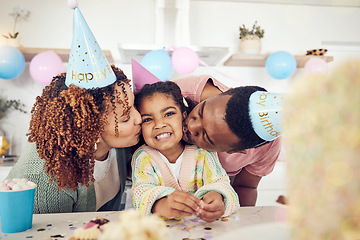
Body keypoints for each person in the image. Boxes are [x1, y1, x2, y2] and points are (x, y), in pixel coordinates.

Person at [7, 4, 142, 213]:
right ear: (91, 129)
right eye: (125, 118)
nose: (138, 118)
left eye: (134, 107)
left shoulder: (119, 146)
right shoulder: (49, 177)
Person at [131, 81, 239, 223]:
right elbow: (140, 192)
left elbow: (222, 183)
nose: (159, 124)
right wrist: (161, 204)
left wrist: (218, 197)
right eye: (148, 119)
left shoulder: (203, 152)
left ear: (183, 116)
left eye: (169, 114)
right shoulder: (143, 157)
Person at [173, 76, 282, 206]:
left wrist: (239, 221)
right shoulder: (182, 93)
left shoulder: (267, 148)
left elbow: (245, 187)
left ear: (234, 151)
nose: (190, 127)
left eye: (205, 136)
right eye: (200, 113)